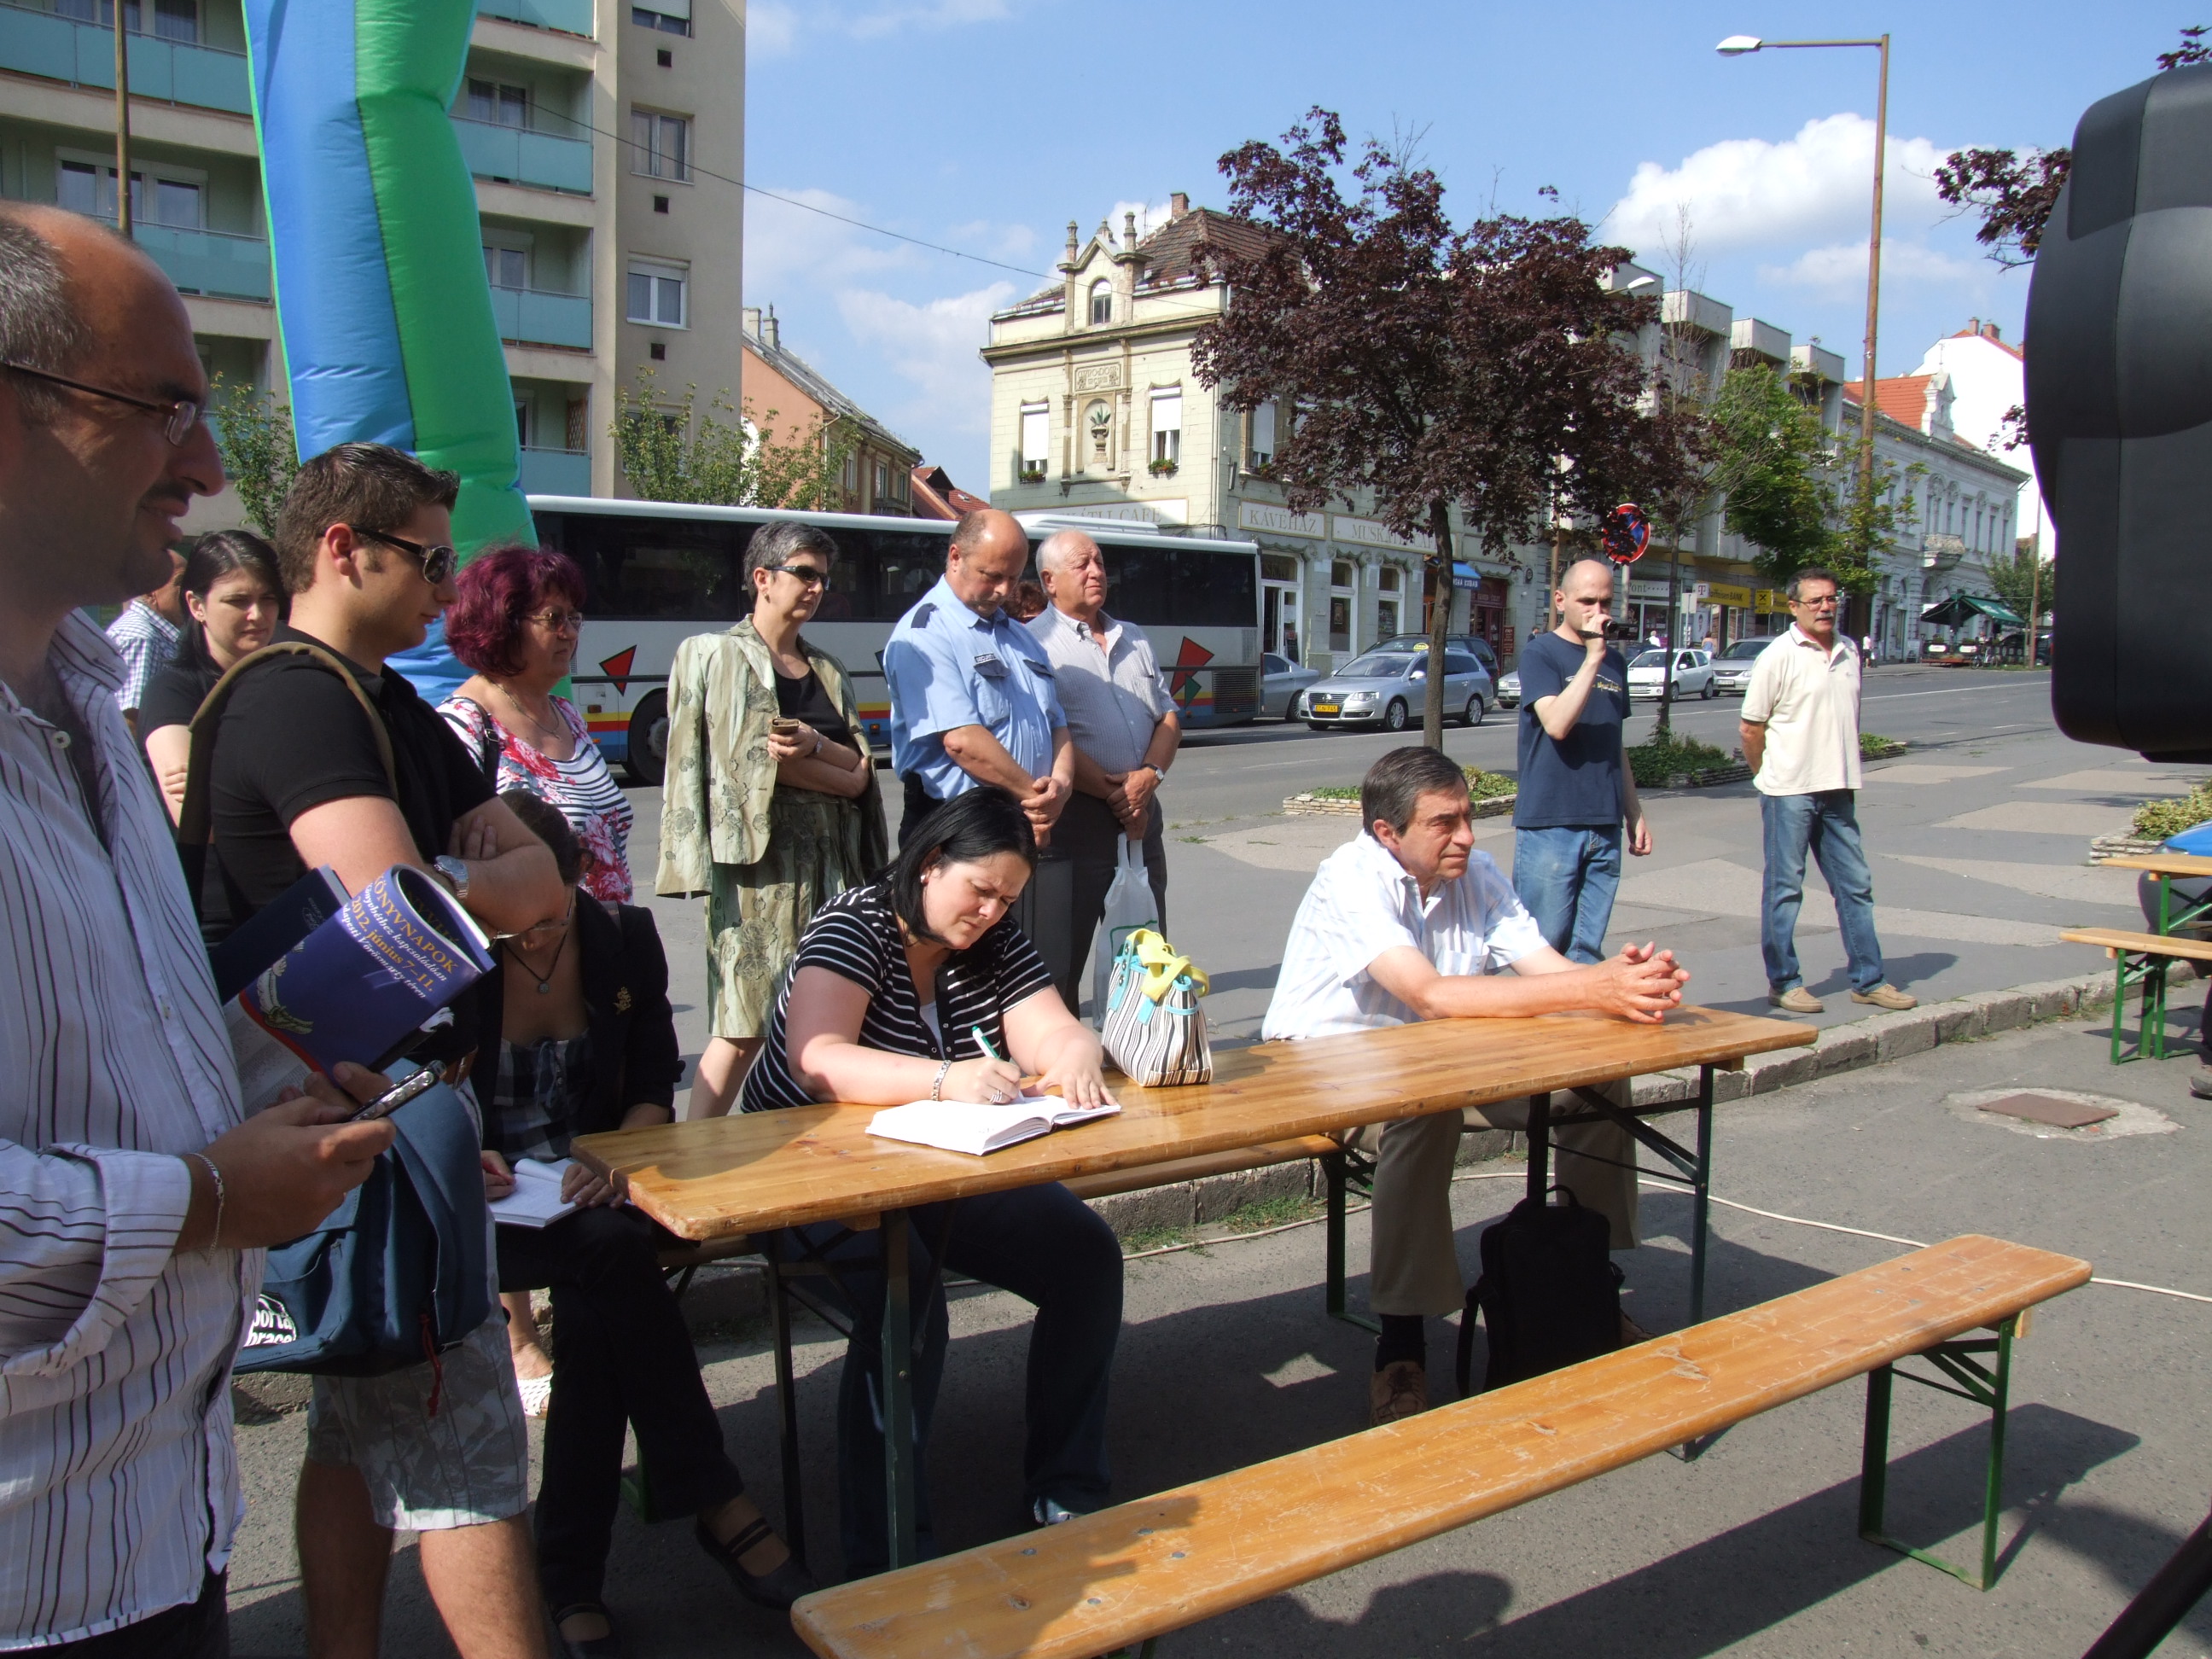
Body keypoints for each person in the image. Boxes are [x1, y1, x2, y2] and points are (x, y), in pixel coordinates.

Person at [0, 202, 397, 1655]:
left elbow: (107, 1065)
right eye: (163, 406)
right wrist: (212, 1199)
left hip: (165, 1529)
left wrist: (277, 1075)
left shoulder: (87, 704)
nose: (212, 466)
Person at [204, 439, 565, 1659]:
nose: (446, 587)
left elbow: (543, 879)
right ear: (341, 549)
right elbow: (394, 909)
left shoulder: (393, 702)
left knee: (360, 1424)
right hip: (362, 1114)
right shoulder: (294, 697)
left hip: (393, 1114)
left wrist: (465, 878)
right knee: (463, 1440)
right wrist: (474, 879)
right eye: (428, 559)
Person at [738, 787, 1123, 1574]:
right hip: (802, 1176)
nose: (990, 911)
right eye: (980, 890)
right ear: (930, 862)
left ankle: (1069, 1487)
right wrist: (946, 1080)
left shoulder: (992, 938)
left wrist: (1077, 1053)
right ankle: (886, 1558)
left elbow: (1052, 1029)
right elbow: (817, 1061)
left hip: (937, 1170)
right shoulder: (855, 925)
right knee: (904, 1297)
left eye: (1006, 898)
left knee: (1085, 1255)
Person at [1262, 746, 1690, 1427]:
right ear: (1387, 832)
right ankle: (1401, 1346)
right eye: (1444, 823)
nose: (1465, 835)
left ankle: (1583, 1291)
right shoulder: (1351, 877)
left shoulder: (1477, 873)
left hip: (1444, 1065)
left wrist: (1628, 985)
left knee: (1597, 1083)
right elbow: (1429, 995)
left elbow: (1548, 973)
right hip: (1325, 1073)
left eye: (1467, 816)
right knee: (1423, 1111)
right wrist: (1593, 989)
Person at [475, 794, 809, 1652]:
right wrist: (461, 1154)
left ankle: (570, 1579)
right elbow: (416, 1090)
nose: (532, 943)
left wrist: (615, 1157)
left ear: (578, 880)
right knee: (612, 1261)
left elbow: (654, 1084)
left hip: (599, 1190)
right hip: (487, 1205)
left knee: (601, 1295)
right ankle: (716, 1500)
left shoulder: (622, 938)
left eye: (548, 923)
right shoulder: (461, 952)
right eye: (513, 931)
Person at [658, 520, 887, 1119]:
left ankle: (809, 1151)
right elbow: (743, 765)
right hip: (759, 869)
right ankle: (699, 1153)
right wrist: (839, 771)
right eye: (804, 573)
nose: (816, 588)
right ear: (762, 578)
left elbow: (863, 767)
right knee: (744, 1023)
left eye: (824, 578)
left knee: (832, 1022)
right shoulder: (713, 654)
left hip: (837, 864)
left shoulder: (827, 667)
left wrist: (817, 749)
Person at [1739, 567, 1917, 1016]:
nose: (1825, 607)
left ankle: (1869, 980)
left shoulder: (1849, 651)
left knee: (1855, 886)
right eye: (1815, 600)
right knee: (1785, 890)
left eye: (1831, 599)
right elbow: (1751, 728)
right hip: (1789, 792)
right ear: (1794, 607)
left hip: (1837, 788)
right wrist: (1765, 777)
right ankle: (1784, 982)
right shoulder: (1778, 656)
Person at [1026, 528, 1179, 998]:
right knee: (1061, 960)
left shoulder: (1133, 637)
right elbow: (1047, 735)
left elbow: (1168, 716)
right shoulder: (1031, 644)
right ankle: (1065, 1045)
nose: (1096, 572)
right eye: (1081, 564)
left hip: (1141, 818)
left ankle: (1143, 1037)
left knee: (1147, 954)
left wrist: (1148, 777)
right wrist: (1119, 795)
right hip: (1077, 822)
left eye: (1099, 562)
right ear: (1049, 581)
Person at [441, 545, 634, 905]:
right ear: (501, 622)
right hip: (535, 934)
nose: (570, 633)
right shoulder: (464, 724)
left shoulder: (566, 715)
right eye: (553, 618)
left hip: (608, 932)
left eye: (574, 618)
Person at [883, 507, 1072, 848]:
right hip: (958, 825)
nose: (1003, 590)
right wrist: (1037, 801)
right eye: (993, 575)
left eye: (1014, 578)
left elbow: (1057, 723)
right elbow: (962, 742)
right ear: (956, 557)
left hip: (1024, 819)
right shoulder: (925, 633)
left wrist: (1061, 785)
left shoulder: (1021, 636)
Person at [1511, 557, 1650, 963]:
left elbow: (1614, 743)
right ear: (1561, 600)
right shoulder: (1542, 653)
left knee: (1586, 950)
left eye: (1605, 602)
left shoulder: (1615, 662)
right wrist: (1592, 658)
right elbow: (1556, 724)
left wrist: (1634, 813)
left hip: (1603, 821)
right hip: (1552, 821)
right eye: (1587, 601)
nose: (1598, 612)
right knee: (1542, 947)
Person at [140, 528, 287, 824]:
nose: (257, 614)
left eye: (268, 598)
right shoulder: (172, 691)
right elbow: (194, 819)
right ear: (197, 606)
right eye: (238, 600)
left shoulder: (290, 683)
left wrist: (217, 778)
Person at [106, 543, 184, 732]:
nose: (191, 593)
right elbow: (131, 721)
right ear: (151, 592)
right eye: (182, 583)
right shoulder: (142, 638)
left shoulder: (156, 634)